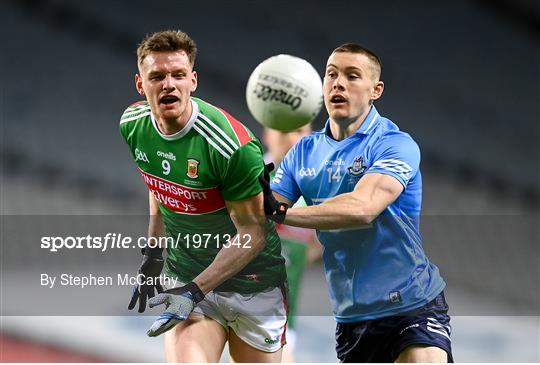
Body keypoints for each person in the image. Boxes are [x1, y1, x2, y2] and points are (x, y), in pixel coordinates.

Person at [262, 43, 453, 362]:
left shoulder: (394, 144)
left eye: (352, 76)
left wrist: (282, 212)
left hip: (413, 303)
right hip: (354, 318)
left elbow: (363, 208)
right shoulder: (304, 153)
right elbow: (259, 214)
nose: (338, 83)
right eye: (331, 74)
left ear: (375, 89)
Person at [119, 30, 287, 362]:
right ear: (141, 85)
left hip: (253, 286)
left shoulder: (230, 145)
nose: (169, 84)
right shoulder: (133, 125)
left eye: (178, 75)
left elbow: (252, 234)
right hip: (189, 279)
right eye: (157, 76)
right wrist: (154, 255)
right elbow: (159, 186)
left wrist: (194, 290)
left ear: (192, 81)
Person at [262, 126, 322, 362]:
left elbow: (317, 247)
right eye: (282, 129)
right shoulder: (247, 176)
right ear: (267, 134)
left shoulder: (314, 188)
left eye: (298, 130)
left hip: (281, 316)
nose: (290, 137)